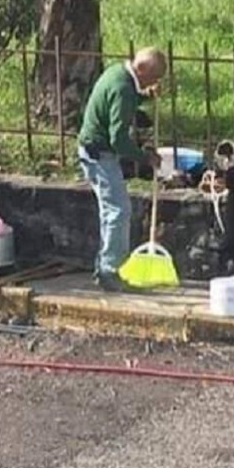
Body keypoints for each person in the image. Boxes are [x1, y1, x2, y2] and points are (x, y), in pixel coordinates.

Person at [77, 48, 164, 291]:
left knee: (110, 210)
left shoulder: (118, 73)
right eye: (153, 78)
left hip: (93, 149)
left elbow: (123, 100)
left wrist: (144, 95)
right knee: (118, 210)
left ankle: (105, 266)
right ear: (142, 69)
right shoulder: (124, 88)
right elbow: (119, 140)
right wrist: (145, 157)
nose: (154, 82)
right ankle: (111, 270)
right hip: (100, 154)